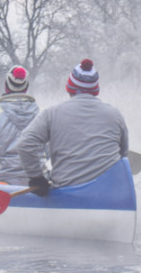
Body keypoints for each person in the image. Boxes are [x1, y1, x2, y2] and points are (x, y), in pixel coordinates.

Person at [17, 59, 128, 197]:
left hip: (68, 195)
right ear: (95, 90)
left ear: (69, 87)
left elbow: (24, 144)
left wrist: (37, 178)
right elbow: (123, 153)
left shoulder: (51, 113)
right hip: (107, 196)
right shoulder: (115, 115)